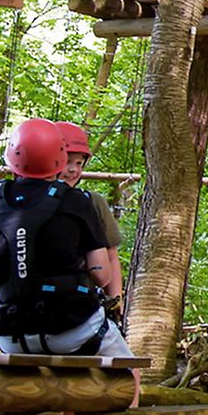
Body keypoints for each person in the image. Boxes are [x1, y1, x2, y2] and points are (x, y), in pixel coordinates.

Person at [0, 119, 133, 415]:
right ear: (59, 159)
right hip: (73, 330)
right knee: (127, 375)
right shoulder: (80, 202)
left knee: (25, 384)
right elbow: (102, 272)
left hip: (11, 334)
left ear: (11, 158)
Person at [54, 121, 126, 329]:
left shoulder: (93, 202)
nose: (72, 170)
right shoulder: (25, 203)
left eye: (78, 163)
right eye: (67, 161)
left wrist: (115, 302)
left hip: (82, 305)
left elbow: (111, 257)